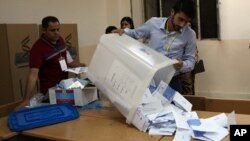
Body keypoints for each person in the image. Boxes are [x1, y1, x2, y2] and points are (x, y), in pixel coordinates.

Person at [114, 0, 197, 95]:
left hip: (172, 81)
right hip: (149, 79)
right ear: (172, 12)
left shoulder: (190, 34)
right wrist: (123, 32)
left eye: (186, 22)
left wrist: (182, 65)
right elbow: (135, 33)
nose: (182, 25)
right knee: (148, 108)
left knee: (172, 109)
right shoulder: (153, 24)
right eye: (181, 19)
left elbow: (191, 61)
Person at [16, 16, 85, 109]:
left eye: (58, 29)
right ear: (44, 30)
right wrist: (26, 99)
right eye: (53, 30)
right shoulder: (38, 48)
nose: (57, 33)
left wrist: (76, 65)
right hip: (49, 91)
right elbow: (33, 74)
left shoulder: (60, 40)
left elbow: (63, 59)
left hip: (63, 85)